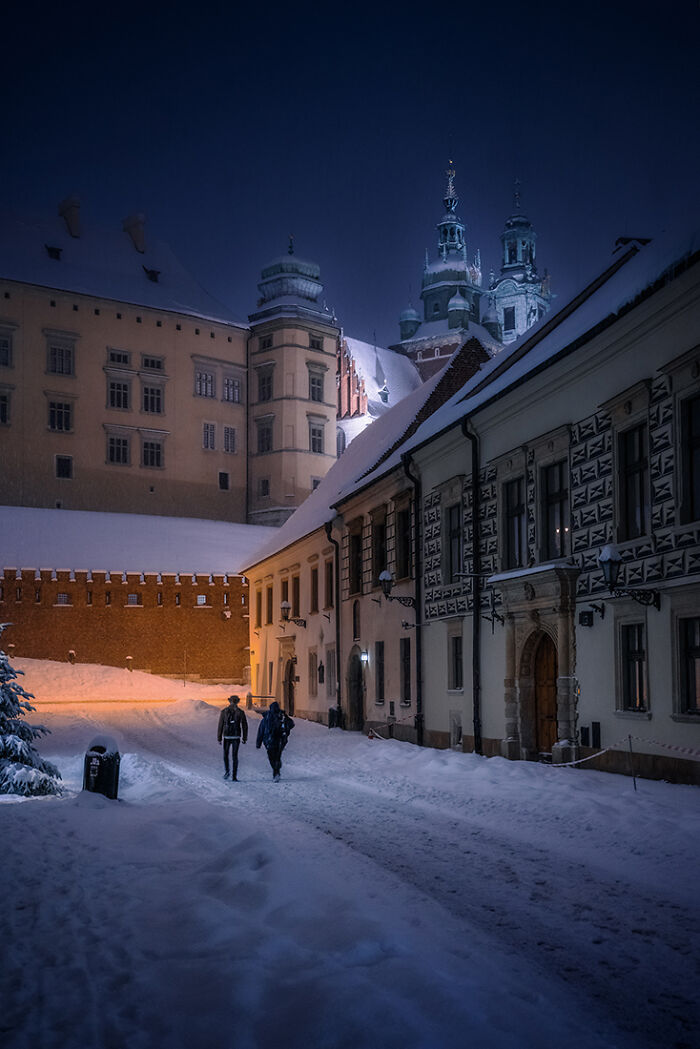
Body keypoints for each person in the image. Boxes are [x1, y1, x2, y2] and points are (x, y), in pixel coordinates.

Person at [256, 700, 294, 780]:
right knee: (277, 755)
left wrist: (258, 743)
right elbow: (292, 724)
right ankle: (277, 770)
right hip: (280, 740)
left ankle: (275, 771)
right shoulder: (281, 716)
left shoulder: (266, 718)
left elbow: (261, 730)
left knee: (271, 756)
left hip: (269, 740)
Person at [217, 694, 248, 780]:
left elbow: (220, 725)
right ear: (237, 702)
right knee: (235, 756)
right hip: (236, 736)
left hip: (227, 736)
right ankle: (234, 776)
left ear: (229, 701)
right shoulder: (240, 712)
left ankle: (227, 771)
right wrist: (244, 737)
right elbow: (244, 725)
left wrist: (219, 737)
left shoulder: (224, 711)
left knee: (226, 755)